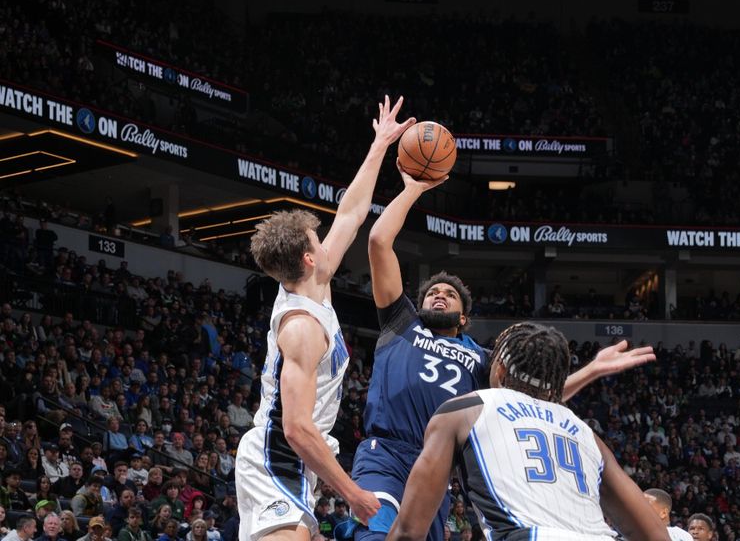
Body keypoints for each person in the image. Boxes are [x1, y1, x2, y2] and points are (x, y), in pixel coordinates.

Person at [351, 166, 657, 541]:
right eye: (432, 292)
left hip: (439, 463)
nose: (439, 294)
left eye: (449, 294)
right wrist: (414, 188)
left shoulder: (484, 360)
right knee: (377, 534)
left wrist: (591, 370)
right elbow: (380, 240)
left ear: (463, 316)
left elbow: (530, 401)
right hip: (388, 451)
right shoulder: (402, 324)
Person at [236, 96, 415, 541]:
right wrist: (351, 492)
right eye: (319, 238)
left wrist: (380, 144)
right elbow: (296, 428)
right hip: (276, 457)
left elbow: (352, 213)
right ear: (309, 257)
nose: (327, 238)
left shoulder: (313, 282)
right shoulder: (301, 329)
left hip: (296, 465)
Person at [385, 322, 669, 541]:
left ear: (501, 370)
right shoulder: (585, 432)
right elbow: (654, 535)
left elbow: (409, 531)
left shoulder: (462, 410)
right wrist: (592, 370)